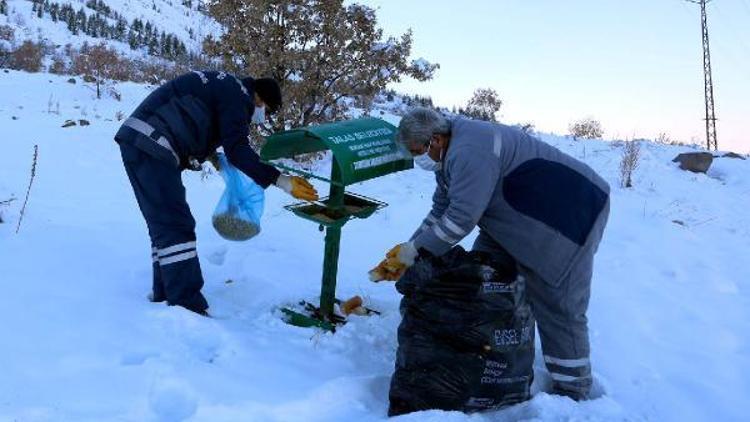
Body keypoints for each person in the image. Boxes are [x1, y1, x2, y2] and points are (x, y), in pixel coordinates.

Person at [370, 107, 610, 400]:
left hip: (571, 215)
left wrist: (415, 253)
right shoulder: (450, 150)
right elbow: (441, 210)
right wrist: (410, 249)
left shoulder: (469, 152)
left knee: (559, 306)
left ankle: (574, 393)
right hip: (514, 216)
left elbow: (460, 219)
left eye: (417, 151)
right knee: (482, 279)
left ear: (435, 139)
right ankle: (486, 355)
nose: (418, 158)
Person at [115, 70, 318, 316]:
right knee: (175, 225)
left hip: (143, 140)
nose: (261, 116)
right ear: (260, 100)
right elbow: (238, 149)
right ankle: (186, 305)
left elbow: (200, 114)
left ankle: (165, 293)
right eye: (266, 110)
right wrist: (281, 180)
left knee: (164, 223)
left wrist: (211, 155)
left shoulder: (227, 86)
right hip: (153, 144)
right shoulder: (239, 99)